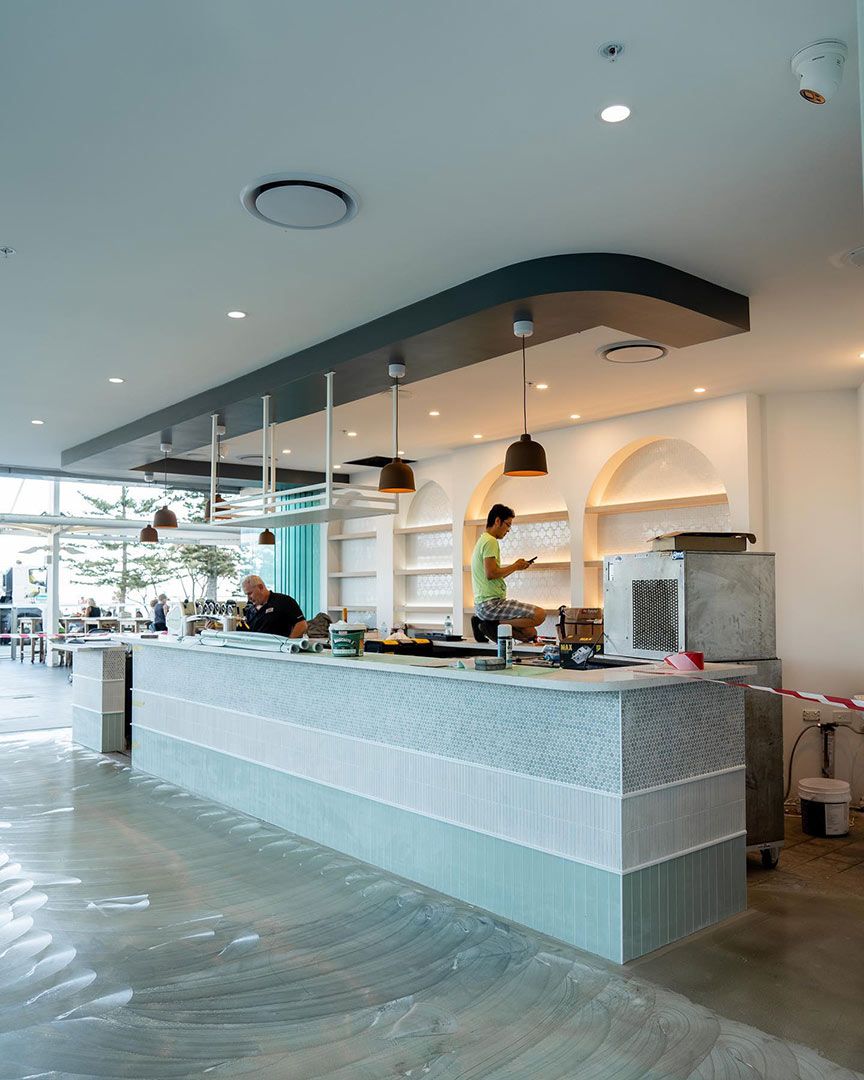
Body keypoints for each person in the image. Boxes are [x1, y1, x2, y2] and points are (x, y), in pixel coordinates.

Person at [470, 503, 546, 643]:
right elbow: (491, 573)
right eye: (508, 525)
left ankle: (486, 623)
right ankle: (491, 624)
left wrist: (516, 567)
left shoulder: (482, 540)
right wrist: (515, 565)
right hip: (491, 605)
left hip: (484, 606)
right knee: (540, 615)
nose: (509, 530)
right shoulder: (490, 541)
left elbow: (493, 575)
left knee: (530, 634)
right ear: (497, 521)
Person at [240, 575, 308, 638]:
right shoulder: (250, 609)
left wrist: (288, 643)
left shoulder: (284, 601)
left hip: (277, 648)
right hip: (255, 648)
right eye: (246, 594)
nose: (248, 598)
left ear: (260, 587)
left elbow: (302, 624)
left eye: (250, 593)